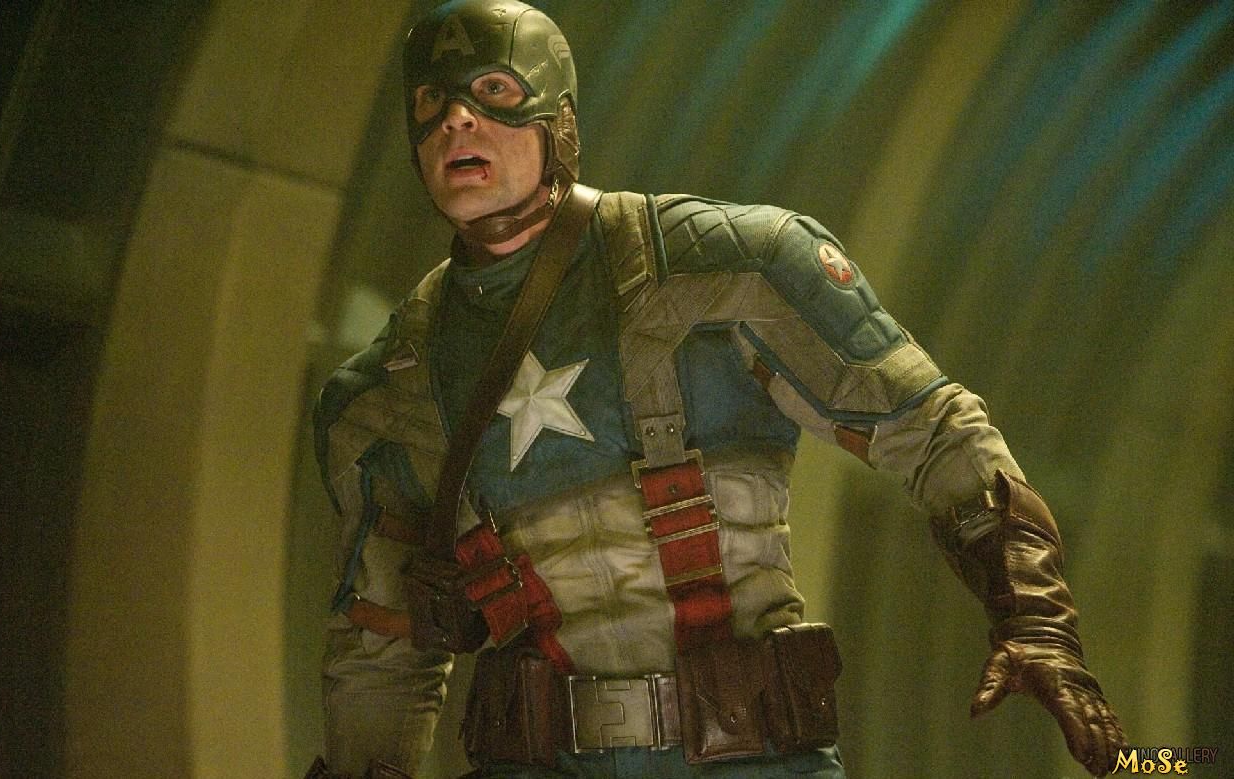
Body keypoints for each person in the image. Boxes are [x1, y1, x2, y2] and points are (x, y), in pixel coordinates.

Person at [306, 2, 1127, 777]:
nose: (457, 120)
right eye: (432, 102)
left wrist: (1037, 619)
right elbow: (382, 646)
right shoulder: (386, 393)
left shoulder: (726, 268)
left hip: (753, 755)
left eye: (492, 90)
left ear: (558, 122)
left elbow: (932, 429)